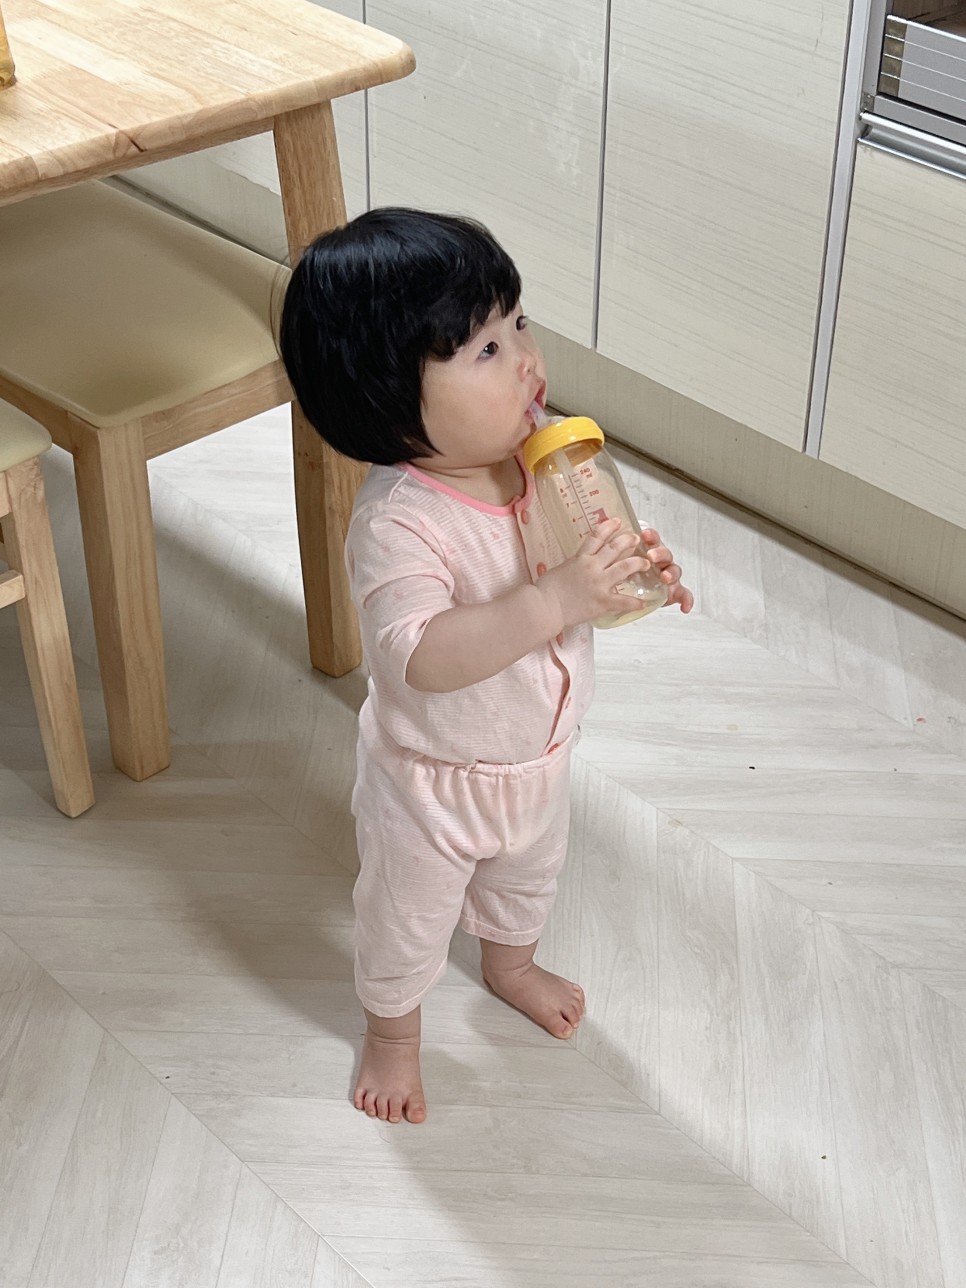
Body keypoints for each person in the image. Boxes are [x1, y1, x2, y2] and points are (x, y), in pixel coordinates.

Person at [279, 208, 693, 1126]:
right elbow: (417, 656)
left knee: (527, 881)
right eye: (488, 350)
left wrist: (633, 573)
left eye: (520, 323)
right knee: (406, 920)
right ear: (389, 401)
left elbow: (584, 569)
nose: (527, 360)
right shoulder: (400, 522)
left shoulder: (541, 467)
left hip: (538, 759)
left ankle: (511, 965)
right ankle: (392, 1034)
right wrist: (553, 601)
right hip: (433, 785)